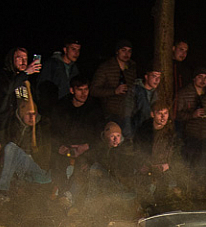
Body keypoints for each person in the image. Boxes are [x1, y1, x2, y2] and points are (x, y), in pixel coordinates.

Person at [48, 75, 103, 205]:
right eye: (80, 90)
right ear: (72, 90)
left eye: (86, 89)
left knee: (83, 166)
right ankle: (58, 194)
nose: (84, 94)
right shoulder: (62, 106)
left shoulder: (94, 108)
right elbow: (53, 132)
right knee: (58, 163)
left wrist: (86, 146)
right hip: (66, 147)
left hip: (86, 149)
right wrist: (60, 146)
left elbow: (99, 136)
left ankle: (69, 197)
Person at [91, 39, 137, 137]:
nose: (126, 54)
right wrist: (114, 91)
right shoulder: (106, 67)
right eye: (123, 50)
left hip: (128, 112)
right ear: (117, 51)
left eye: (129, 51)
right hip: (110, 112)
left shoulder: (132, 68)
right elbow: (94, 90)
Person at [37, 37, 80, 109]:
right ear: (65, 50)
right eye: (73, 49)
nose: (76, 53)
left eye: (78, 50)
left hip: (67, 107)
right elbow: (42, 86)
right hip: (52, 107)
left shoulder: (75, 68)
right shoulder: (51, 64)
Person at [131, 65, 161, 132]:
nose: (157, 80)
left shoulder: (157, 93)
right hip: (136, 128)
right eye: (154, 76)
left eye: (159, 77)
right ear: (146, 77)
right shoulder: (135, 90)